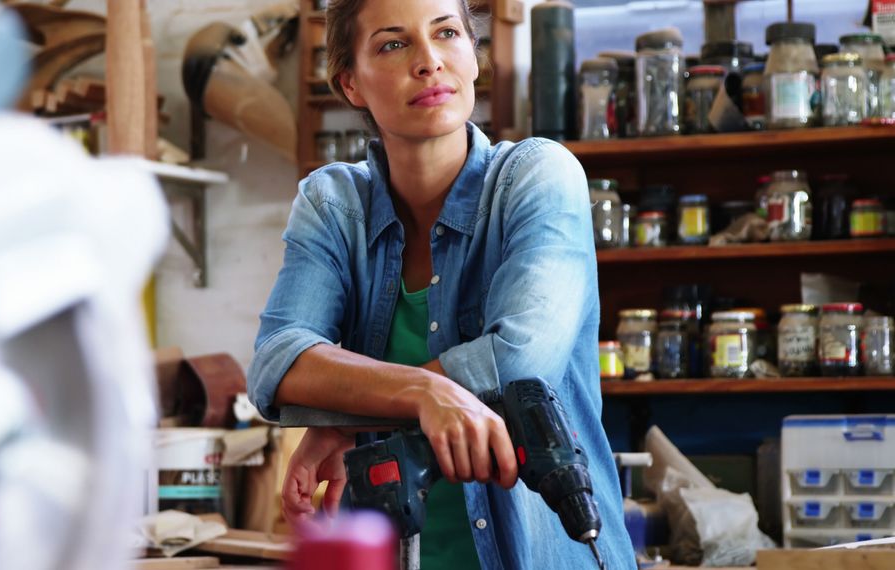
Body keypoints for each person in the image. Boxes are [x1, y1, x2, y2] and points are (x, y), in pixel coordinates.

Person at [247, 0, 632, 567]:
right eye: (393, 44)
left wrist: (340, 416)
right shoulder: (333, 204)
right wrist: (425, 393)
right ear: (351, 83)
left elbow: (521, 359)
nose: (429, 62)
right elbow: (278, 361)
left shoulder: (537, 174)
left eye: (447, 32)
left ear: (473, 57)